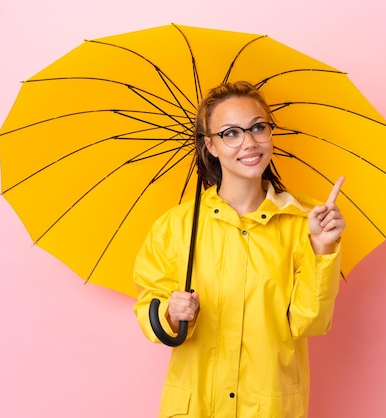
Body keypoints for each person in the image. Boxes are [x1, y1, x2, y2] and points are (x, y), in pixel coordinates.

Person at [133, 81, 345, 417]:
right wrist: (170, 314)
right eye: (231, 133)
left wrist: (322, 248)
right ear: (210, 146)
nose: (249, 142)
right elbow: (149, 306)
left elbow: (310, 325)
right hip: (196, 407)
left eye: (259, 127)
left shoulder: (304, 222)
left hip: (267, 406)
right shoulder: (176, 226)